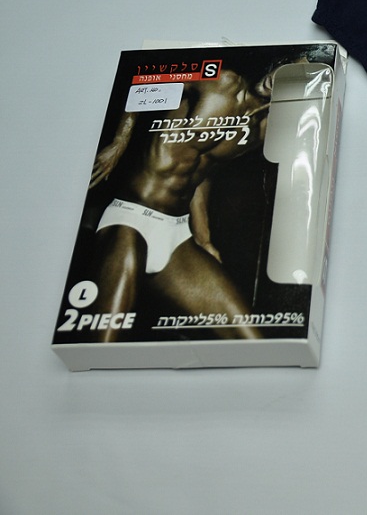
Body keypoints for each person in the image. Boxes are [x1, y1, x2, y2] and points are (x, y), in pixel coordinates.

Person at [86, 60, 288, 342]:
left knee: (252, 341)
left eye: (293, 80)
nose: (279, 80)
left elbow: (202, 173)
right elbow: (147, 83)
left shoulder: (260, 131)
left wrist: (204, 239)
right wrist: (119, 142)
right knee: (102, 342)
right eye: (286, 70)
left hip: (177, 235)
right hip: (130, 218)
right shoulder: (223, 80)